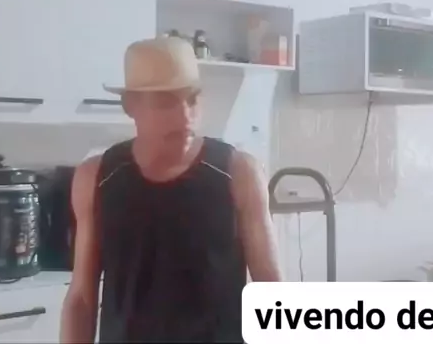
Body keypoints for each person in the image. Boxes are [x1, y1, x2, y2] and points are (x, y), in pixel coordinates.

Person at [60, 37, 282, 343]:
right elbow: (81, 299)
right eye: (166, 101)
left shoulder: (238, 172)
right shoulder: (96, 178)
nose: (185, 115)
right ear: (130, 106)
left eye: (192, 99)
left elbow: (271, 288)